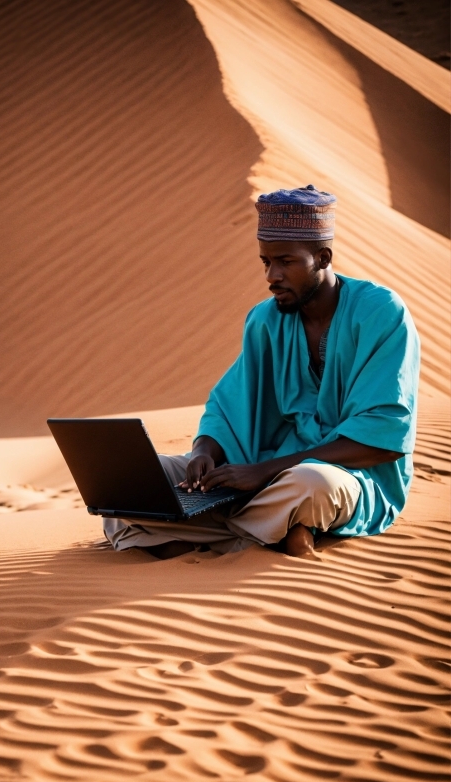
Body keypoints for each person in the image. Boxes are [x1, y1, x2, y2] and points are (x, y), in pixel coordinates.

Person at [103, 185, 420, 560]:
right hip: (257, 471)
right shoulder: (265, 320)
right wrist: (203, 452)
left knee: (313, 484)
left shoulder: (380, 314)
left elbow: (381, 439)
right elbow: (228, 403)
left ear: (323, 257)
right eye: (265, 262)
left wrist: (265, 472)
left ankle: (197, 535)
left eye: (286, 261)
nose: (272, 276)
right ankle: (268, 533)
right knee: (130, 483)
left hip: (344, 475)